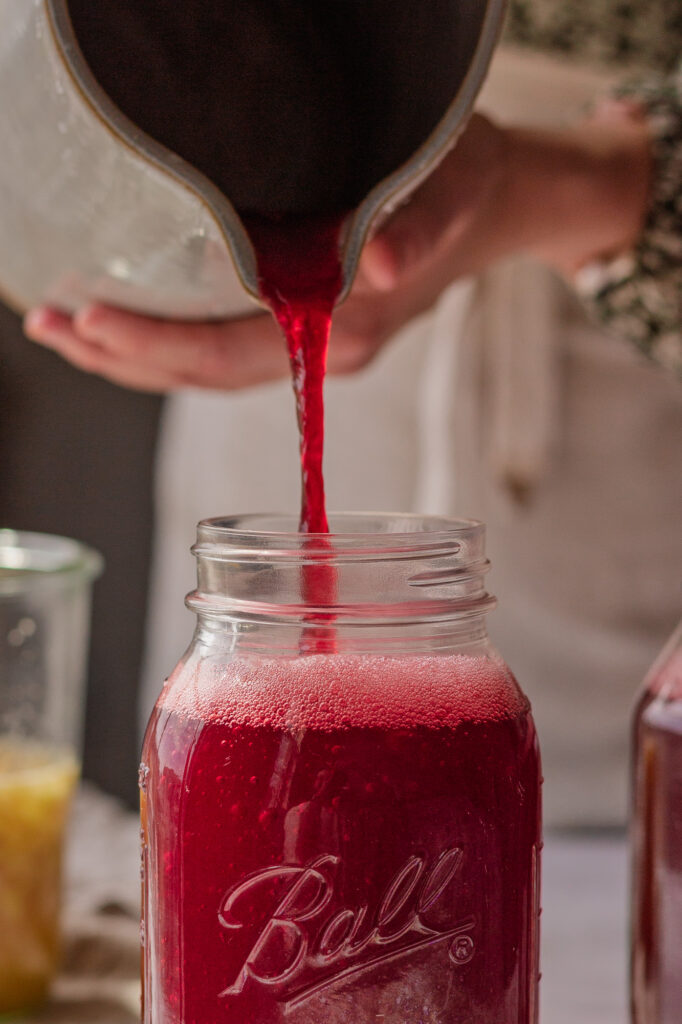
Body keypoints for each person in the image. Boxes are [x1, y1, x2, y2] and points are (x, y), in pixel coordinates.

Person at [23, 9, 682, 826]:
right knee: (260, 839)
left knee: (637, 859)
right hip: (237, 273)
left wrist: (566, 181)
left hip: (629, 382)